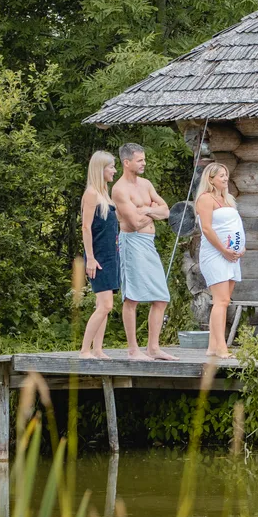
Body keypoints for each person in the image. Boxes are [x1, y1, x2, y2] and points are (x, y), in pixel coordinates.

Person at [111, 142, 176, 361]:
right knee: (132, 298)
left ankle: (153, 348)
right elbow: (135, 223)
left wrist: (145, 209)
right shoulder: (119, 189)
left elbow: (167, 211)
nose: (144, 163)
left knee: (161, 297)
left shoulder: (146, 184)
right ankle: (133, 350)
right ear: (126, 162)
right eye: (140, 160)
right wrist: (153, 212)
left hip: (149, 243)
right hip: (132, 243)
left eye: (144, 159)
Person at [195, 162, 245, 358]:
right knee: (221, 300)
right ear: (211, 179)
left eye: (226, 175)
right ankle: (222, 348)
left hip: (231, 255)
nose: (225, 178)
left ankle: (212, 346)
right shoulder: (205, 199)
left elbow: (235, 225)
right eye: (221, 175)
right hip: (215, 254)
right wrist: (223, 250)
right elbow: (207, 229)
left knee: (224, 300)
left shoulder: (227, 199)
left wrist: (241, 246)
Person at [79, 150, 120, 359]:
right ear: (100, 169)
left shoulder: (104, 194)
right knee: (105, 305)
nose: (114, 170)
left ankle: (98, 349)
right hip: (98, 256)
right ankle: (84, 350)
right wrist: (91, 258)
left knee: (103, 305)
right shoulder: (91, 194)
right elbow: (86, 227)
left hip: (111, 255)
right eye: (111, 167)